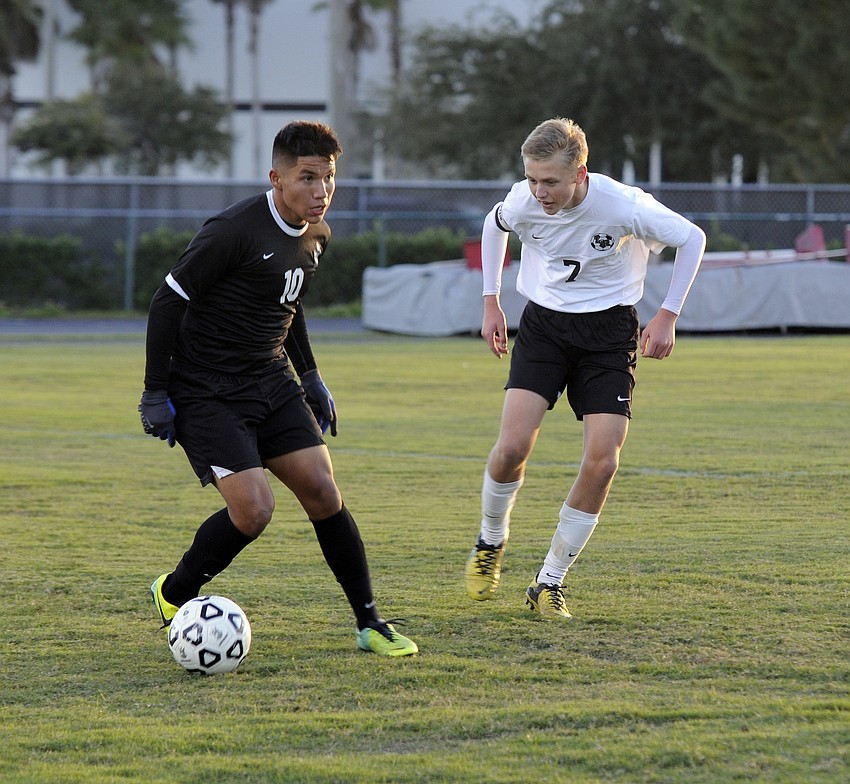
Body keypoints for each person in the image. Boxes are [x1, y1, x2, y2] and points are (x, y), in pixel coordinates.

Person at [139, 121, 417, 656]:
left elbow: (289, 303)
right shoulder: (232, 230)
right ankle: (173, 592)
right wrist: (155, 391)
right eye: (308, 178)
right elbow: (167, 302)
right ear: (277, 178)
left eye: (329, 178)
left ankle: (369, 622)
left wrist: (310, 375)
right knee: (254, 511)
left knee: (322, 489)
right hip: (206, 389)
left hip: (270, 379)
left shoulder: (318, 234)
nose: (322, 191)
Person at [464, 117, 705, 619]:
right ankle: (490, 541)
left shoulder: (624, 204)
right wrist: (491, 301)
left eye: (550, 180)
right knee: (511, 448)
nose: (539, 191)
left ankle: (549, 581)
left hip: (610, 334)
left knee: (604, 462)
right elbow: (494, 225)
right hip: (546, 328)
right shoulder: (522, 201)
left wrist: (667, 315)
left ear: (580, 172)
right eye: (532, 178)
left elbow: (692, 238)